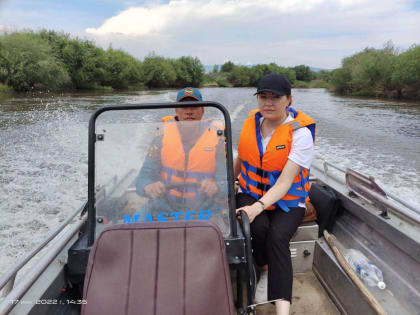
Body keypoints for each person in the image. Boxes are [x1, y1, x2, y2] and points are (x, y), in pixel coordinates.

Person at [234, 73, 315, 315]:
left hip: (288, 201)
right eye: (263, 97)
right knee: (257, 228)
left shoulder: (301, 134)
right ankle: (265, 269)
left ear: (288, 100)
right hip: (250, 190)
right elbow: (241, 160)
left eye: (275, 98)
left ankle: (282, 309)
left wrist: (257, 207)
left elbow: (285, 182)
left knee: (278, 236)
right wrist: (224, 182)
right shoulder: (251, 122)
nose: (268, 103)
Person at [136, 87, 225, 217]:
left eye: (194, 107)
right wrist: (148, 186)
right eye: (184, 107)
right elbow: (143, 177)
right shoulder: (161, 137)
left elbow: (226, 180)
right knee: (132, 226)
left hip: (205, 208)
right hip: (164, 206)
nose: (189, 112)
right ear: (176, 110)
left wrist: (217, 187)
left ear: (202, 110)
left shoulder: (218, 141)